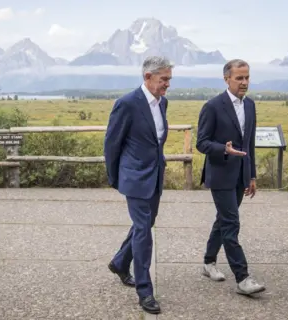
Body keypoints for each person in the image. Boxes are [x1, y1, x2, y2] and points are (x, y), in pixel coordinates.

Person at [103, 56, 173, 314]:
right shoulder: (127, 104)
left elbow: (156, 141)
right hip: (134, 177)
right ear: (147, 77)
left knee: (145, 224)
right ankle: (145, 291)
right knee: (144, 230)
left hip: (155, 176)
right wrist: (115, 177)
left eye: (169, 79)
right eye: (163, 79)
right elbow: (111, 144)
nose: (167, 84)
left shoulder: (163, 103)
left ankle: (120, 262)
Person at [195, 59, 266, 295]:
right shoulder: (213, 106)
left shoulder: (250, 106)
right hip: (220, 173)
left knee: (223, 220)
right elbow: (202, 143)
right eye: (239, 78)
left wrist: (252, 176)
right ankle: (243, 278)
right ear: (227, 78)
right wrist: (223, 149)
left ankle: (208, 262)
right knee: (231, 224)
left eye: (247, 77)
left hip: (240, 175)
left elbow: (250, 144)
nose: (244, 82)